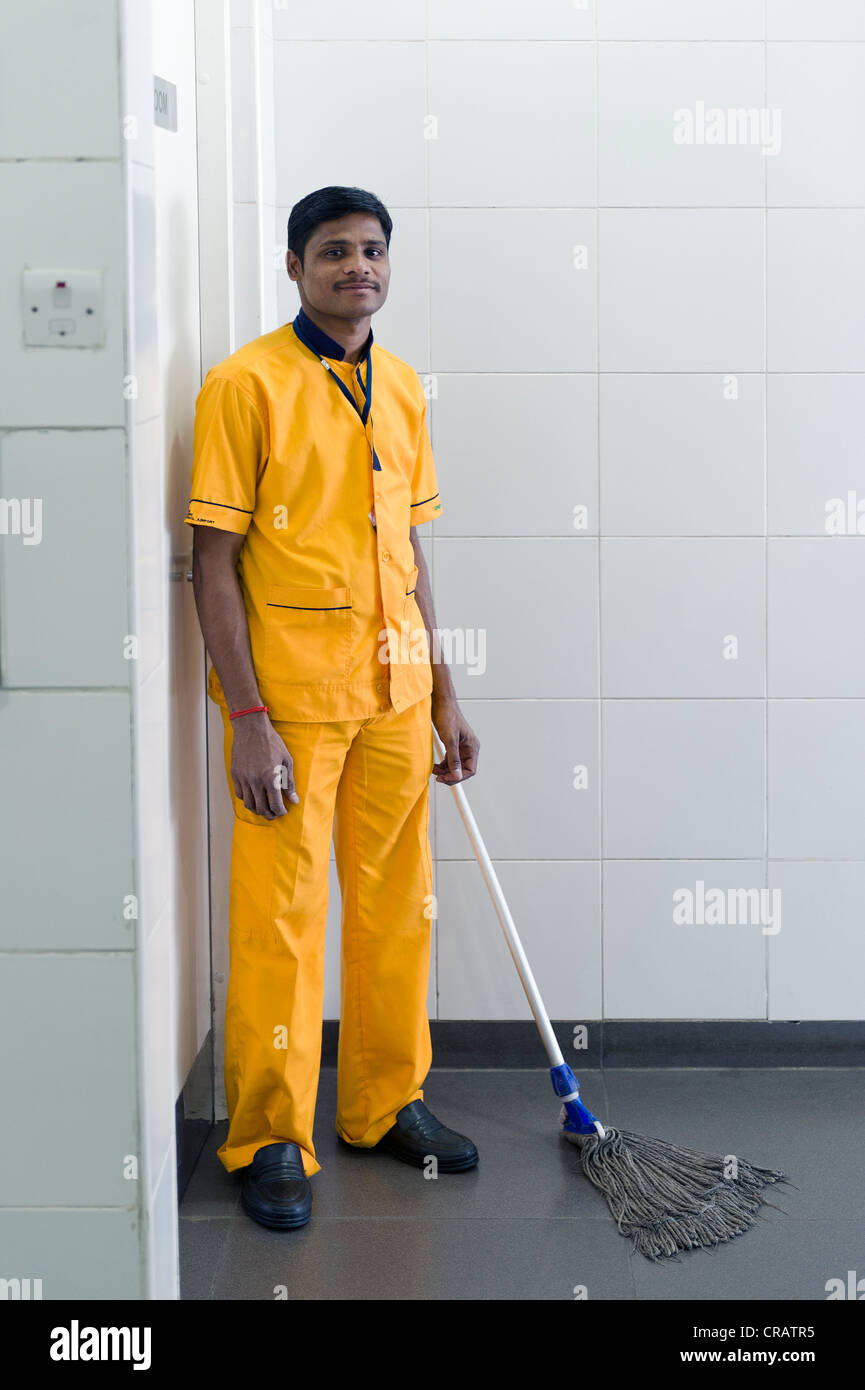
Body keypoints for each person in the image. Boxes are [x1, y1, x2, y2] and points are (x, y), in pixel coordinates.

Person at [185, 185, 481, 1230]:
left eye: (371, 251)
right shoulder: (244, 384)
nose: (357, 266)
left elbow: (408, 551)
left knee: (400, 912)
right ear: (294, 266)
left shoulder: (401, 387)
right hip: (294, 707)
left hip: (395, 698)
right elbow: (210, 562)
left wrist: (444, 689)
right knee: (282, 923)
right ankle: (268, 1131)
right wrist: (247, 715)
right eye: (333, 252)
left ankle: (381, 1101)